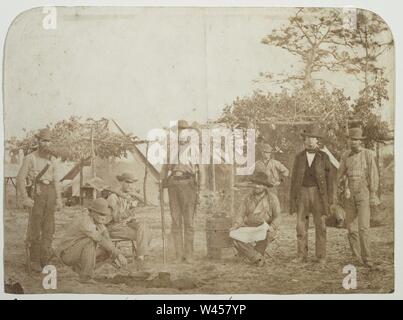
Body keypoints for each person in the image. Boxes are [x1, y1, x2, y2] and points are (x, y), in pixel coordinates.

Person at [16, 128, 62, 272]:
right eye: (43, 140)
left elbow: (56, 181)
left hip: (51, 194)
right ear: (38, 141)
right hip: (37, 193)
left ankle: (45, 258)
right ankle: (34, 260)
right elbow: (20, 179)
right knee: (35, 228)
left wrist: (59, 199)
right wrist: (25, 197)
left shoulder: (53, 160)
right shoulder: (30, 158)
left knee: (49, 228)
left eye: (48, 141)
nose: (46, 144)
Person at [289, 126, 335, 265]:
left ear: (317, 141)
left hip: (319, 194)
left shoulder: (324, 157)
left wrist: (330, 199)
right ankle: (301, 255)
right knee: (300, 226)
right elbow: (293, 180)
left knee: (320, 225)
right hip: (302, 193)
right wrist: (293, 199)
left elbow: (329, 180)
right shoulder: (299, 157)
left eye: (313, 138)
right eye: (308, 138)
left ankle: (321, 256)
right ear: (304, 140)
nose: (310, 141)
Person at [56, 198, 127, 283]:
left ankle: (79, 269)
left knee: (107, 251)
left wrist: (115, 255)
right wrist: (118, 253)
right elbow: (99, 239)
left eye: (105, 215)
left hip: (77, 252)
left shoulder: (96, 221)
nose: (103, 217)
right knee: (90, 241)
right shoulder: (85, 221)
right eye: (101, 214)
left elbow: (106, 239)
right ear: (93, 212)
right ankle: (86, 276)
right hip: (67, 254)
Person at [336, 127, 380, 268]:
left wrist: (373, 193)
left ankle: (367, 258)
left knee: (363, 227)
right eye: (351, 139)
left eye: (356, 140)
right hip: (349, 195)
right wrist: (343, 187)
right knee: (351, 228)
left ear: (360, 141)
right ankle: (357, 257)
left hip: (363, 192)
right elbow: (340, 174)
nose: (353, 142)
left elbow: (373, 175)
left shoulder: (367, 155)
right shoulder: (345, 156)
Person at [160, 120, 200, 263]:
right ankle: (178, 254)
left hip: (188, 184)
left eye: (184, 130)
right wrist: (161, 181)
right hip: (173, 185)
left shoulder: (193, 149)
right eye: (179, 130)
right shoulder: (171, 149)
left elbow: (201, 171)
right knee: (175, 221)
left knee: (188, 221)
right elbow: (165, 168)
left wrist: (199, 192)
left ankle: (189, 255)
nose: (181, 132)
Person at [230, 171, 280, 267]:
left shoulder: (272, 198)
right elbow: (240, 214)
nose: (257, 186)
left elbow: (277, 216)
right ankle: (257, 257)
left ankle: (250, 254)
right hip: (250, 227)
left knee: (266, 235)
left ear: (265, 186)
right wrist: (236, 225)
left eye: (260, 184)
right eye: (255, 183)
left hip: (266, 228)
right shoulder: (247, 198)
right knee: (233, 235)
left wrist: (272, 226)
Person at [106, 172, 151, 270]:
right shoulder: (113, 197)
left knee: (144, 228)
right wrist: (130, 210)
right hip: (114, 227)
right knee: (143, 234)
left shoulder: (129, 195)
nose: (130, 185)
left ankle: (140, 257)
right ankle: (141, 259)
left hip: (126, 224)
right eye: (127, 182)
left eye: (132, 183)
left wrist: (134, 194)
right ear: (121, 182)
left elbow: (147, 202)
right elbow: (115, 218)